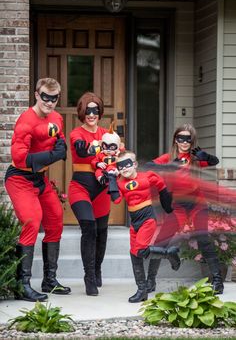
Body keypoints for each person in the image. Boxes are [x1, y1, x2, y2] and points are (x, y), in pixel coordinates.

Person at [4, 77, 71, 302]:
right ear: (36, 94)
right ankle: (22, 285)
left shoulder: (56, 117)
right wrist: (54, 155)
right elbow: (19, 158)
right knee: (32, 221)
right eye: (45, 97)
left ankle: (49, 280)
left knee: (56, 218)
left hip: (40, 179)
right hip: (20, 178)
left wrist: (61, 147)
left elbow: (60, 139)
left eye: (54, 98)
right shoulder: (26, 121)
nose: (49, 102)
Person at [150, 123, 224, 294]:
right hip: (178, 206)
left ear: (192, 141)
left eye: (188, 139)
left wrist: (205, 156)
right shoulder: (168, 157)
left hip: (197, 203)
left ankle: (217, 280)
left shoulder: (196, 158)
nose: (184, 142)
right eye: (180, 138)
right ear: (175, 140)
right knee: (161, 241)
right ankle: (149, 281)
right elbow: (149, 166)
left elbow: (215, 161)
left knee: (203, 239)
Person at [107, 150, 180, 303]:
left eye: (127, 165)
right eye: (120, 166)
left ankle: (169, 254)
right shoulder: (120, 182)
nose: (124, 169)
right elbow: (117, 200)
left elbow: (161, 185)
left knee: (141, 250)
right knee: (134, 254)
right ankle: (142, 290)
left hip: (147, 219)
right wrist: (112, 179)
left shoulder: (147, 176)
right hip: (134, 222)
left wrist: (167, 206)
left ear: (135, 164)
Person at [68, 92, 110, 296]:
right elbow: (81, 149)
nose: (91, 114)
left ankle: (98, 268)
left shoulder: (107, 134)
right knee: (89, 228)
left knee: (102, 232)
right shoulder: (77, 132)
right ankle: (89, 277)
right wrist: (85, 149)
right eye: (88, 110)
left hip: (102, 189)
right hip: (80, 187)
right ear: (82, 113)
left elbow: (118, 154)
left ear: (100, 112)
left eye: (95, 110)